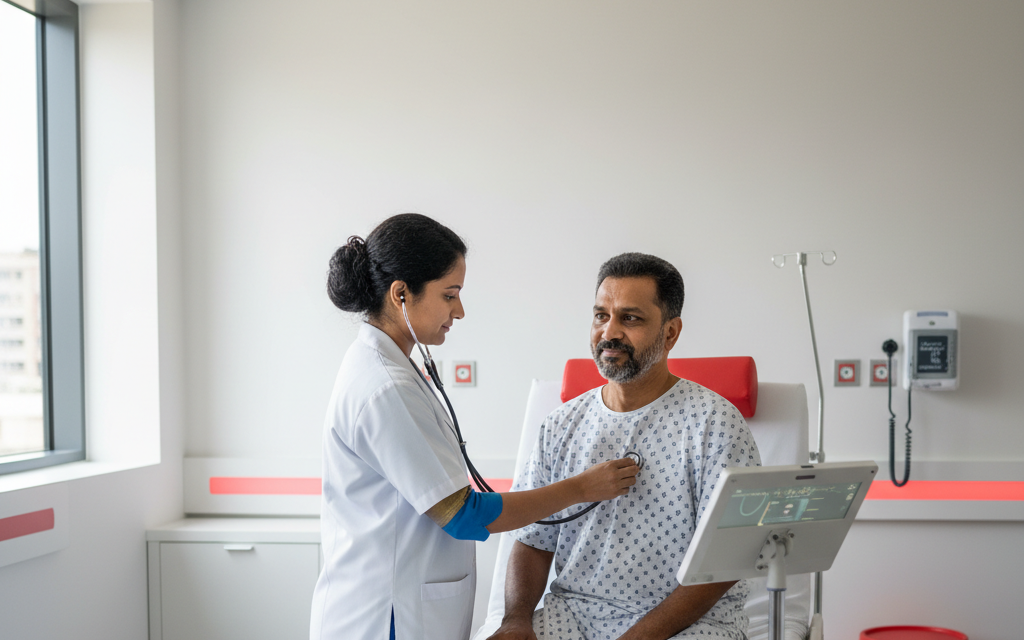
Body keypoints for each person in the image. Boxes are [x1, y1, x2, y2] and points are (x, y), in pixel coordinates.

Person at [310, 213, 640, 640]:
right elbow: (463, 514)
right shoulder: (385, 387)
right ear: (401, 294)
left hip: (403, 602)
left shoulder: (391, 369)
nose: (459, 311)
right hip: (385, 617)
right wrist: (582, 488)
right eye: (450, 295)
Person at [488, 253, 762, 640]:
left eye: (630, 318)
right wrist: (515, 620)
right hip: (575, 614)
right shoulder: (561, 425)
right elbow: (534, 539)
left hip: (690, 624)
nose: (609, 332)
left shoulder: (714, 425)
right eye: (601, 315)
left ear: (670, 333)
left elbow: (726, 561)